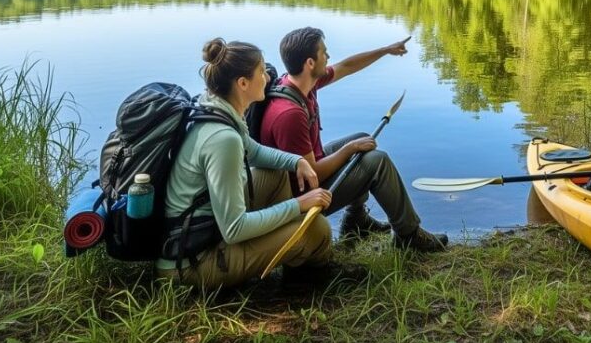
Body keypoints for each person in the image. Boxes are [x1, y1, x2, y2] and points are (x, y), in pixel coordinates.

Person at [155, 38, 338, 289]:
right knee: (317, 229)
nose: (268, 77)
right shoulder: (223, 139)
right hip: (192, 264)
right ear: (243, 83)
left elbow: (254, 152)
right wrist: (298, 204)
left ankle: (292, 253)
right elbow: (234, 228)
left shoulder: (214, 107)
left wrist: (296, 161)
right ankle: (309, 281)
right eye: (262, 72)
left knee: (276, 174)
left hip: (203, 234)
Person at [259, 27, 448, 252]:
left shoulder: (299, 83)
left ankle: (355, 220)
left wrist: (386, 50)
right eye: (324, 52)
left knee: (362, 139)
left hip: (306, 173)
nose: (328, 57)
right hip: (299, 197)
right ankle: (409, 235)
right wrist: (349, 149)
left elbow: (346, 66)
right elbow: (313, 176)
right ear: (310, 63)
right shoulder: (289, 114)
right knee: (377, 161)